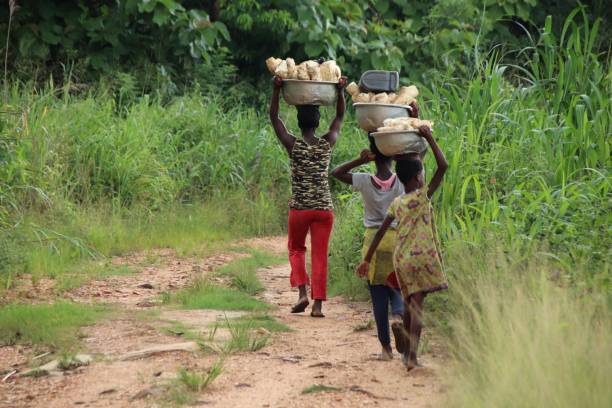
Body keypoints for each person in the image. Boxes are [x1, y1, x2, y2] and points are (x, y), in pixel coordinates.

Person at [357, 125, 448, 371]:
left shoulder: (398, 202)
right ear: (419, 178)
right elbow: (443, 166)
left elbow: (381, 232)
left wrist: (366, 260)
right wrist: (429, 137)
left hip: (402, 260)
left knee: (409, 303)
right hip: (421, 259)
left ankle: (406, 350)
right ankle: (411, 357)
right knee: (416, 307)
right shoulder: (422, 197)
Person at [269, 75, 347, 318]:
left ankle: (302, 292)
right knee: (320, 254)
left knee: (296, 248)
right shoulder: (327, 143)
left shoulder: (293, 145)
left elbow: (274, 118)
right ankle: (318, 306)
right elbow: (340, 117)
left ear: (299, 123)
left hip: (300, 208)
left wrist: (276, 90)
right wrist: (340, 91)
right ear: (318, 121)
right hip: (324, 209)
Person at [331, 138, 406, 360]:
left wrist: (359, 160)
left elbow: (336, 172)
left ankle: (385, 349)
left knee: (378, 296)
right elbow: (418, 160)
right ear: (392, 157)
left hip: (373, 242)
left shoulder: (364, 181)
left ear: (373, 157)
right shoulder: (402, 180)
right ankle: (400, 317)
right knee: (397, 287)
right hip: (396, 240)